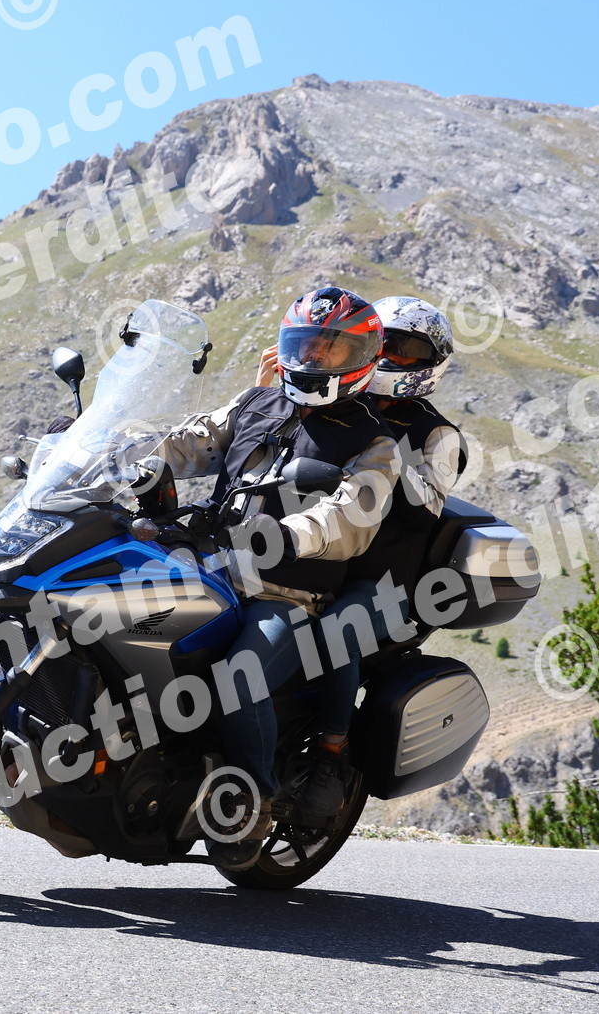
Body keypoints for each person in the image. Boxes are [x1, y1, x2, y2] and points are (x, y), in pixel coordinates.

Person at [156, 286, 400, 868]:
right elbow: (188, 443)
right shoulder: (255, 404)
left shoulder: (373, 440)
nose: (315, 356)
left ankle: (256, 800)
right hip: (207, 569)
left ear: (361, 357)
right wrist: (118, 456)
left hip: (287, 594)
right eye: (306, 343)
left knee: (240, 677)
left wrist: (289, 534)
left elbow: (351, 515)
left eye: (331, 347)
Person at [294, 295, 465, 821]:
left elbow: (427, 503)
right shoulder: (333, 400)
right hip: (314, 560)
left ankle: (331, 752)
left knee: (336, 632)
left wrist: (381, 450)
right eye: (383, 343)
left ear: (430, 364)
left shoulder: (437, 433)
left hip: (383, 583)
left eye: (406, 349)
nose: (391, 356)